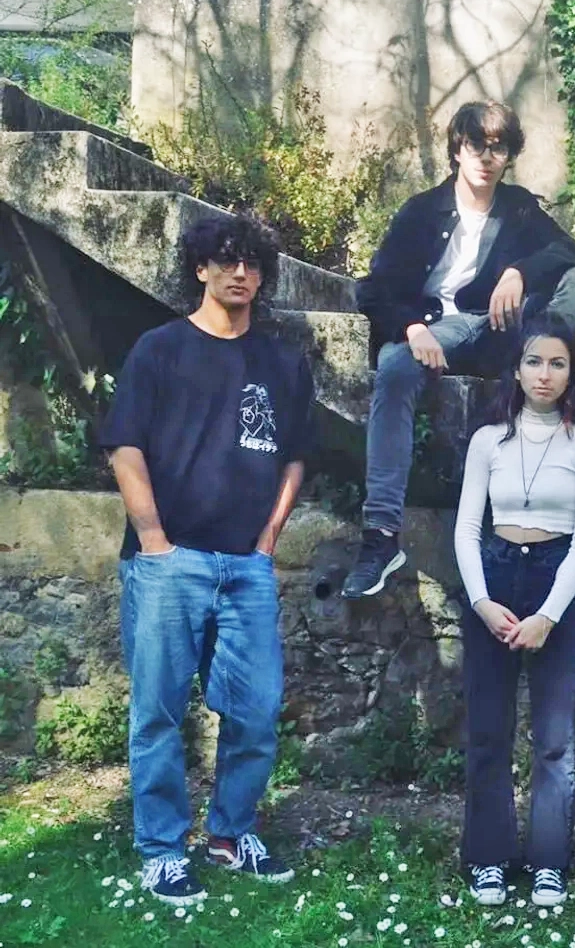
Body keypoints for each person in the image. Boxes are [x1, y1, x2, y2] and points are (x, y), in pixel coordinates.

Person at [100, 214, 313, 905]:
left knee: (257, 710)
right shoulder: (159, 350)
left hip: (246, 567)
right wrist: (154, 541)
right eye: (225, 261)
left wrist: (268, 540)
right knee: (159, 714)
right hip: (170, 564)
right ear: (200, 269)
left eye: (251, 263)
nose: (240, 273)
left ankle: (230, 833)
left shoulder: (282, 362)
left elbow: (294, 458)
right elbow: (125, 447)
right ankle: (163, 850)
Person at [343, 99, 575, 599]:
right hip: (436, 330)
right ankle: (381, 537)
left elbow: (570, 250)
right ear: (458, 149)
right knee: (396, 368)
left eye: (498, 148)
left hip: (497, 333)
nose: (486, 156)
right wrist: (412, 328)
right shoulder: (422, 211)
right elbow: (373, 289)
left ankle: (533, 371)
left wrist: (518, 272)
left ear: (509, 157)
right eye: (476, 144)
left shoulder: (517, 208)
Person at [453, 312, 575, 907]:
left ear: (572, 374)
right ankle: (488, 858)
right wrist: (481, 601)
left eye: (557, 363)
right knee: (488, 733)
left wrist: (549, 615)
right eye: (534, 361)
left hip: (556, 577)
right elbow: (467, 528)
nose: (545, 374)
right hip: (494, 576)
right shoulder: (488, 439)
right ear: (516, 370)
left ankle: (548, 862)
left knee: (554, 739)